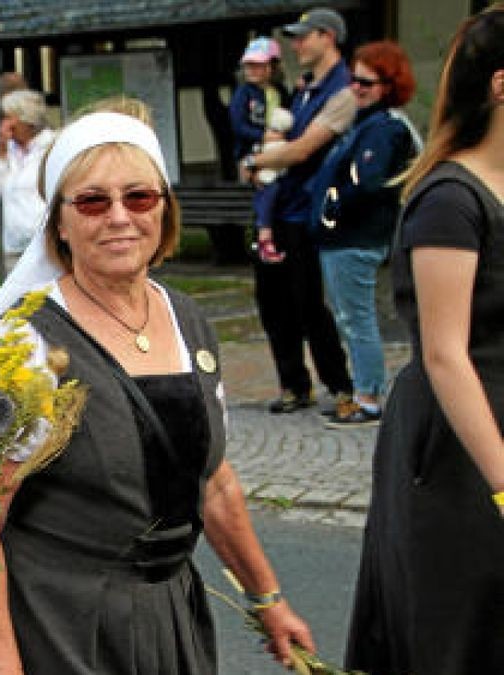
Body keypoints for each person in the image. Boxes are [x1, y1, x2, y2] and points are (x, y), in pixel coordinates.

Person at [0, 110, 315, 673]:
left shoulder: (186, 319)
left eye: (138, 198)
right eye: (91, 202)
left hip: (169, 612)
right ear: (58, 222)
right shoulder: (25, 342)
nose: (119, 218)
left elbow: (213, 482)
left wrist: (268, 599)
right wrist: (0, 664)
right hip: (64, 624)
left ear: (164, 209)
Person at [345, 6, 504, 672]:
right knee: (463, 629)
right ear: (501, 85)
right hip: (461, 444)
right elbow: (444, 353)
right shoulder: (449, 198)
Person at [243, 7, 354, 414]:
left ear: (327, 37)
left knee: (310, 304)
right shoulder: (304, 87)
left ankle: (340, 385)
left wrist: (257, 162)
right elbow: (278, 140)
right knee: (273, 303)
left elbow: (304, 147)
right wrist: (263, 159)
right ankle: (294, 385)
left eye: (303, 37)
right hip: (278, 209)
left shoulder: (343, 90)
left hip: (308, 212)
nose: (296, 45)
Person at [311, 40, 421, 429]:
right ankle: (365, 392)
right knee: (350, 316)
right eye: (353, 80)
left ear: (388, 86)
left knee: (355, 317)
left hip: (355, 238)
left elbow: (366, 181)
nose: (356, 88)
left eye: (367, 83)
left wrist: (331, 207)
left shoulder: (383, 128)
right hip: (346, 236)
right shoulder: (370, 124)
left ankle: (368, 397)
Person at [229, 36, 291, 263]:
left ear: (272, 67)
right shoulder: (243, 94)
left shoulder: (281, 92)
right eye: (249, 65)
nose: (252, 70)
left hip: (279, 150)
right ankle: (264, 236)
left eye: (259, 65)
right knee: (268, 185)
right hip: (252, 152)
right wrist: (264, 136)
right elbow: (238, 127)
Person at [0, 89, 56, 272]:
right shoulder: (9, 153)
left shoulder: (51, 147)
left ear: (27, 119)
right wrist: (1, 155)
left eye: (9, 118)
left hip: (45, 245)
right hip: (15, 247)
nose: (5, 125)